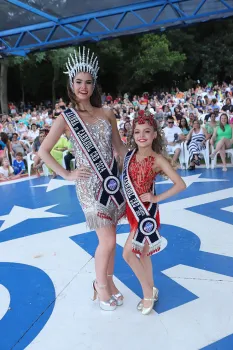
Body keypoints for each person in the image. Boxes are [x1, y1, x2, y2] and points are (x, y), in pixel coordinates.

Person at [38, 47, 126, 311]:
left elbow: (119, 149)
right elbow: (43, 151)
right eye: (79, 82)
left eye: (88, 82)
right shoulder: (66, 118)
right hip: (88, 186)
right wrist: (66, 173)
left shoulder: (107, 113)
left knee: (111, 239)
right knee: (107, 241)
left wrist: (140, 160)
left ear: (94, 84)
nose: (83, 87)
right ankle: (100, 287)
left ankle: (108, 283)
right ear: (71, 84)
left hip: (111, 183)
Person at [122, 111, 186, 315]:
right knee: (142, 253)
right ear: (133, 135)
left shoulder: (157, 159)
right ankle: (152, 288)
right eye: (137, 132)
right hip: (133, 211)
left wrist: (156, 198)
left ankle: (147, 291)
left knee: (128, 254)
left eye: (147, 131)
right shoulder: (128, 156)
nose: (142, 135)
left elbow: (180, 184)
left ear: (154, 135)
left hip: (146, 215)